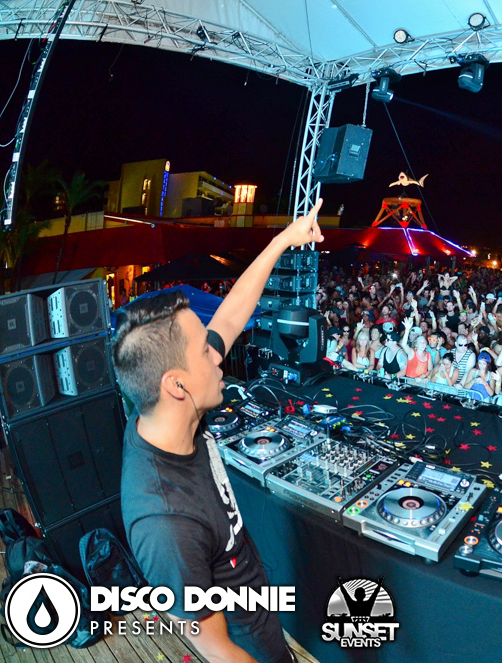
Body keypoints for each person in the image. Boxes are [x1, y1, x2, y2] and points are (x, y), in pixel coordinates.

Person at [114, 198, 324, 663]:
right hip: (246, 641)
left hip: (253, 595)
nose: (218, 354)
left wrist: (284, 240)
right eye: (204, 352)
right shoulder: (164, 523)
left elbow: (230, 317)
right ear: (176, 385)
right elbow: (215, 647)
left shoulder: (165, 409)